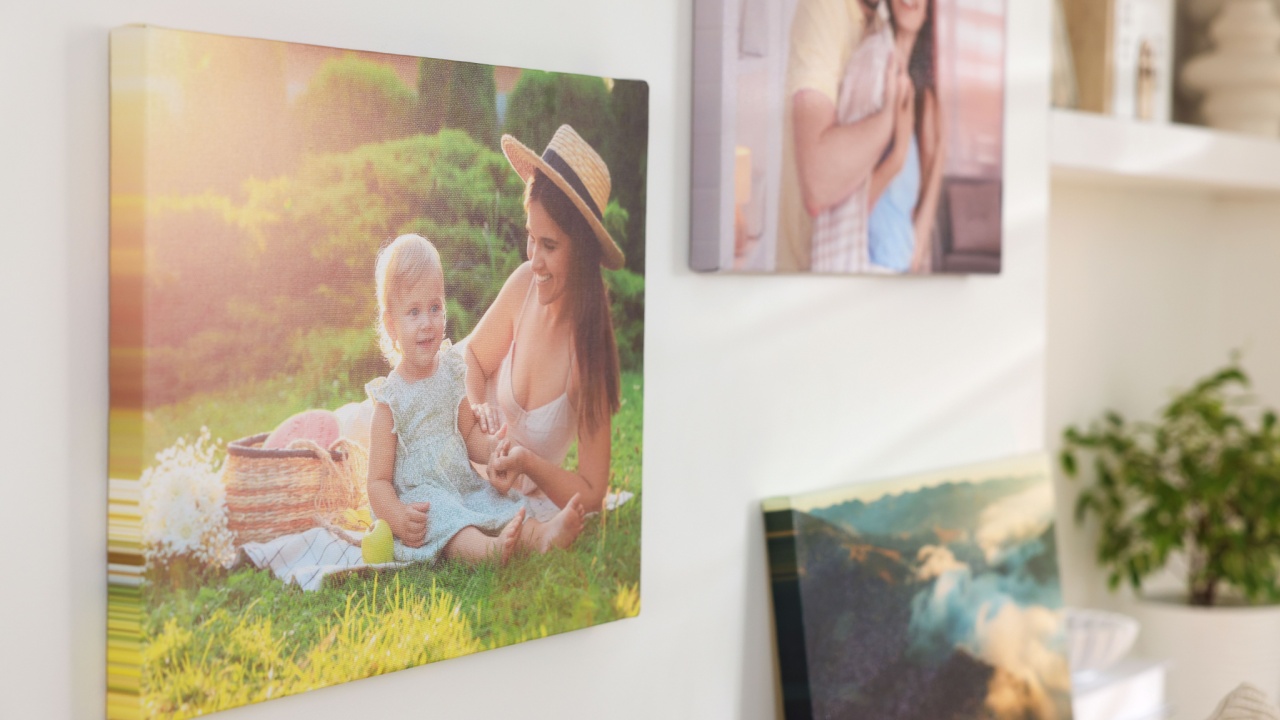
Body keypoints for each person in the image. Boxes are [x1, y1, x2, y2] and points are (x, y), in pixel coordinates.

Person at [365, 233, 586, 566]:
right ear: (391, 325)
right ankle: (486, 552)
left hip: (460, 483)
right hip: (422, 500)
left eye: (434, 307)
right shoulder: (390, 399)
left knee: (498, 503)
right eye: (413, 312)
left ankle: (540, 535)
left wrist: (492, 451)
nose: (427, 323)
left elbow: (468, 435)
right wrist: (397, 516)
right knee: (450, 523)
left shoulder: (453, 372)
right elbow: (377, 481)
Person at [464, 125, 622, 522]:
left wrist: (527, 464)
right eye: (531, 238)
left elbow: (591, 492)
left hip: (494, 483)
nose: (534, 260)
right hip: (459, 438)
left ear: (583, 253)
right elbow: (471, 357)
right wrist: (477, 408)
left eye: (549, 246)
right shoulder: (523, 286)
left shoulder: (589, 357)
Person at [777, 0, 902, 271]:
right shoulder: (824, 7)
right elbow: (818, 182)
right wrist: (887, 121)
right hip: (802, 281)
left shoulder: (881, 27)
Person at [864, 0, 945, 274]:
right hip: (862, 272)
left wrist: (915, 254)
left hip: (900, 276)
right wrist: (897, 156)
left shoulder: (925, 103)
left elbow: (922, 209)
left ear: (928, 11)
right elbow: (847, 210)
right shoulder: (870, 74)